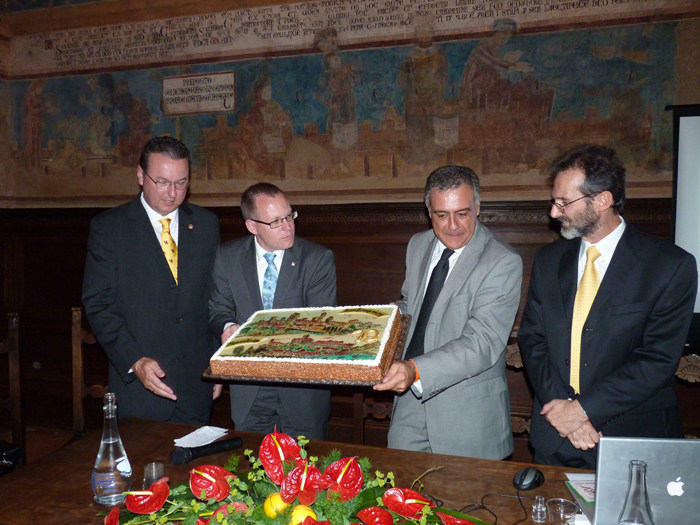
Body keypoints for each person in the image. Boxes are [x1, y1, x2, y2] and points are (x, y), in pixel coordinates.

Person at [518, 144, 697, 469]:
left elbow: (656, 360)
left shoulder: (669, 266)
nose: (554, 213)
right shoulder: (549, 260)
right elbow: (534, 339)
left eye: (564, 202)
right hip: (554, 435)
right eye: (554, 201)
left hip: (630, 440)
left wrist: (583, 410)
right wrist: (566, 413)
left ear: (602, 200)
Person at [374, 166, 522, 459]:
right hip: (409, 404)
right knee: (399, 495)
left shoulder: (501, 261)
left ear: (478, 207)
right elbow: (413, 303)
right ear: (428, 211)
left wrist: (415, 370)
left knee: (461, 504)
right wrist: (381, 318)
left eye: (463, 213)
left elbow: (482, 342)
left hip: (467, 417)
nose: (452, 225)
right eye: (442, 215)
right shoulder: (418, 245)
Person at [82, 136, 221, 424]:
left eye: (181, 183)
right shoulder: (109, 229)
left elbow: (214, 300)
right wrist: (135, 361)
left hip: (197, 387)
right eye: (162, 182)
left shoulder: (207, 225)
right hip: (140, 390)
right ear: (139, 175)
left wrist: (216, 363)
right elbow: (99, 304)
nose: (172, 193)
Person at [209, 183, 337, 439]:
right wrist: (227, 327)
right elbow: (218, 308)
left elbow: (320, 325)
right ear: (252, 226)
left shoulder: (317, 259)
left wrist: (254, 336)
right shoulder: (227, 257)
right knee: (252, 473)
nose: (288, 226)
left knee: (305, 476)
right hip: (250, 388)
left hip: (301, 389)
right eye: (276, 221)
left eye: (290, 215)